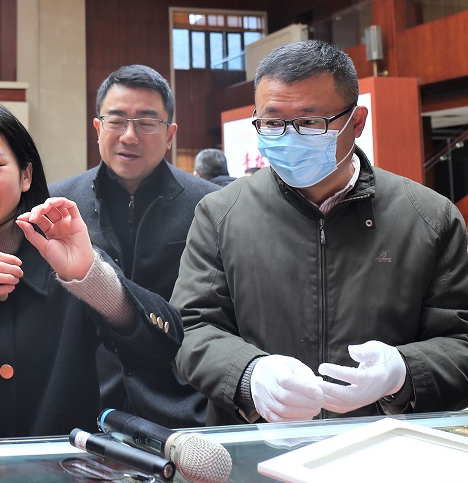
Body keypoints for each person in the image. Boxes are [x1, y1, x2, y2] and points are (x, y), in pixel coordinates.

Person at [172, 40, 468, 425]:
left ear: (356, 122)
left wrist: (402, 372)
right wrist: (249, 374)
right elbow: (191, 328)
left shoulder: (428, 217)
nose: (289, 137)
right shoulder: (221, 213)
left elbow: (461, 340)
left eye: (311, 122)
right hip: (258, 446)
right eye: (273, 122)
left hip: (385, 445)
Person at [0, 100, 183, 440]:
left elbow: (161, 350)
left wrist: (91, 278)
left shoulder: (67, 257)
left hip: (62, 466)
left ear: (26, 175)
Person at [51, 65, 217, 428]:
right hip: (83, 407)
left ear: (169, 134)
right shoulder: (60, 204)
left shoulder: (210, 205)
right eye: (116, 121)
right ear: (98, 129)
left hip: (183, 406)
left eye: (146, 123)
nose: (129, 136)